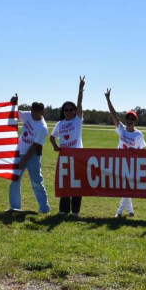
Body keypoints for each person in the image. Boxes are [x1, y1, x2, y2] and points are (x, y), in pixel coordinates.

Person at [106, 88, 146, 217]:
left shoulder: (138, 135)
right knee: (125, 187)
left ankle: (119, 212)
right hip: (120, 162)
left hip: (132, 165)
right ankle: (130, 211)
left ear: (135, 121)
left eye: (132, 119)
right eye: (128, 118)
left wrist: (135, 151)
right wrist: (108, 99)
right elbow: (113, 115)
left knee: (126, 187)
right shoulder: (121, 129)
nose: (129, 120)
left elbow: (143, 151)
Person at [8, 95, 50, 214]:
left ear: (42, 112)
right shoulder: (27, 115)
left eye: (37, 110)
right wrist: (14, 103)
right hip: (20, 153)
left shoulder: (42, 128)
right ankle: (15, 207)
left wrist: (23, 161)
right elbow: (15, 113)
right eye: (33, 109)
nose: (34, 112)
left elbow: (33, 147)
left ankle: (44, 208)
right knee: (15, 181)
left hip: (32, 157)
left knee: (37, 182)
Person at [50, 76, 86, 217]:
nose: (69, 111)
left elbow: (80, 102)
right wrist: (55, 146)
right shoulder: (60, 124)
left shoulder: (77, 121)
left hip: (77, 156)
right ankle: (63, 210)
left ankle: (75, 211)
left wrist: (80, 88)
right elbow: (52, 137)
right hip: (64, 157)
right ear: (63, 111)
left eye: (71, 109)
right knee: (65, 183)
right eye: (66, 110)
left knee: (76, 184)